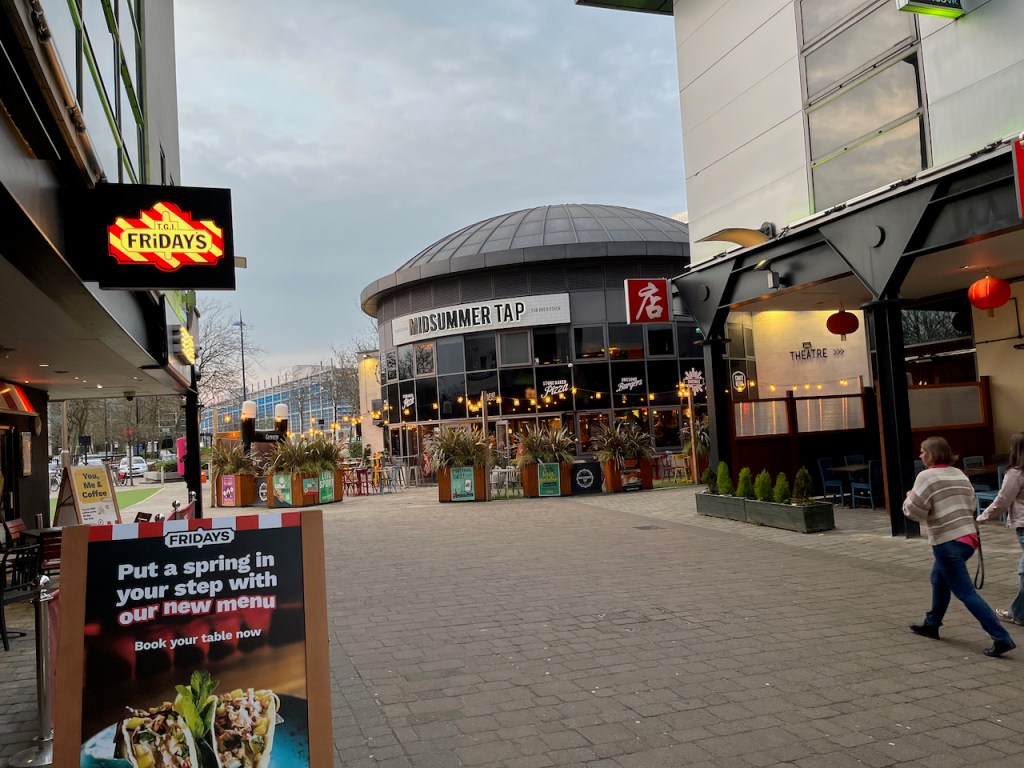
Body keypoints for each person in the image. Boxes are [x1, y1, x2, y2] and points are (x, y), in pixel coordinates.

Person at [903, 436, 1016, 657]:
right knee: (939, 578)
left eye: (923, 451)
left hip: (947, 540)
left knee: (965, 592)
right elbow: (971, 504)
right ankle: (932, 623)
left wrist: (908, 498)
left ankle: (1001, 637)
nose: (920, 455)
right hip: (968, 539)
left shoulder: (925, 477)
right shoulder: (959, 474)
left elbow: (915, 512)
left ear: (932, 454)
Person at [976, 431, 1024, 626]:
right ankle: (1018, 612)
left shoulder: (1016, 473)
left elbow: (1003, 500)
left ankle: (1018, 613)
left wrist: (983, 516)